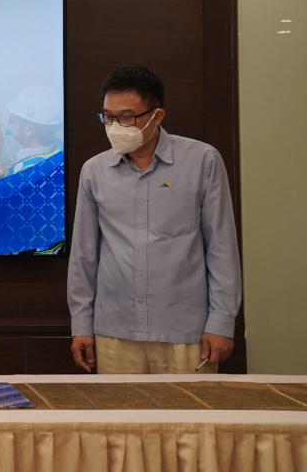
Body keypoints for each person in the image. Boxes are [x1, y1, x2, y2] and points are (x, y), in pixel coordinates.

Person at [67, 66, 242, 374]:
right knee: (118, 410)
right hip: (115, 333)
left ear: (157, 116)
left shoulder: (202, 160)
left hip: (186, 332)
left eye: (126, 117)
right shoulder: (94, 171)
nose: (115, 127)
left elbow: (221, 247)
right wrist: (81, 324)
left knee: (190, 409)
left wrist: (222, 321)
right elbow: (83, 256)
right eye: (108, 117)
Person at [0, 84, 62, 178]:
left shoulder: (27, 173)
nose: (10, 123)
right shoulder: (57, 148)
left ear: (29, 130)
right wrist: (7, 172)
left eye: (12, 119)